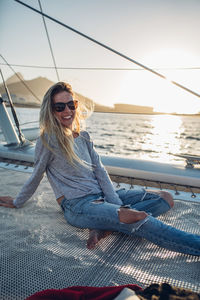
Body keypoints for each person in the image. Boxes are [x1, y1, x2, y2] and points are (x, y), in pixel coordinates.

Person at [0, 82, 199, 255]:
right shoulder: (48, 140)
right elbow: (36, 175)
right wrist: (18, 201)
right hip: (78, 205)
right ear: (51, 111)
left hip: (103, 195)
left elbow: (101, 172)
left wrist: (116, 205)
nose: (67, 111)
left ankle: (105, 225)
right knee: (137, 217)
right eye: (60, 107)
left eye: (71, 104)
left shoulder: (84, 137)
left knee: (166, 198)